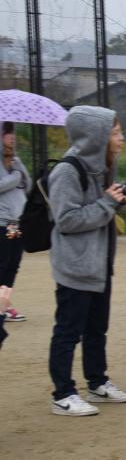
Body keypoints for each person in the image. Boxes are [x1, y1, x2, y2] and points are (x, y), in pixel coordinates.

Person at [47, 106, 126, 416]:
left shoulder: (102, 168)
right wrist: (107, 203)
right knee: (68, 331)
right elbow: (67, 220)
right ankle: (63, 393)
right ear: (95, 136)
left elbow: (98, 212)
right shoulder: (67, 171)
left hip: (98, 265)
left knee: (97, 328)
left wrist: (116, 203)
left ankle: (97, 383)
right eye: (114, 133)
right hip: (75, 266)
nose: (121, 139)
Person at [0, 120, 31, 321]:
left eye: (13, 132)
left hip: (16, 222)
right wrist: (15, 177)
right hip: (1, 222)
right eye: (8, 132)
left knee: (13, 264)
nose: (13, 136)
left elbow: (27, 185)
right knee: (2, 264)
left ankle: (4, 302)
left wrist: (18, 170)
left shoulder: (16, 161)